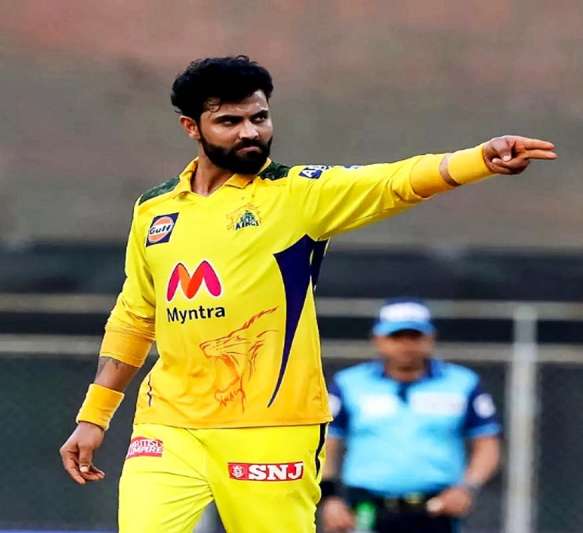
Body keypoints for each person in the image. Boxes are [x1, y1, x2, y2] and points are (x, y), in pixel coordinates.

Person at [57, 55, 556, 533]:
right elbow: (135, 316)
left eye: (259, 117)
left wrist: (478, 160)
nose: (250, 132)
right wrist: (94, 416)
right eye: (229, 121)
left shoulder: (298, 194)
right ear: (192, 127)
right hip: (168, 423)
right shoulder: (155, 209)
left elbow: (392, 183)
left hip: (272, 427)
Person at [320, 299, 502, 533]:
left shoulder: (462, 383)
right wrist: (330, 497)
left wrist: (466, 488)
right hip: (365, 508)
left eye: (414, 336)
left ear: (430, 338)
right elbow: (327, 443)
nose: (406, 345)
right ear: (378, 339)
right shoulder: (349, 384)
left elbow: (487, 444)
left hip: (436, 509)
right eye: (396, 336)